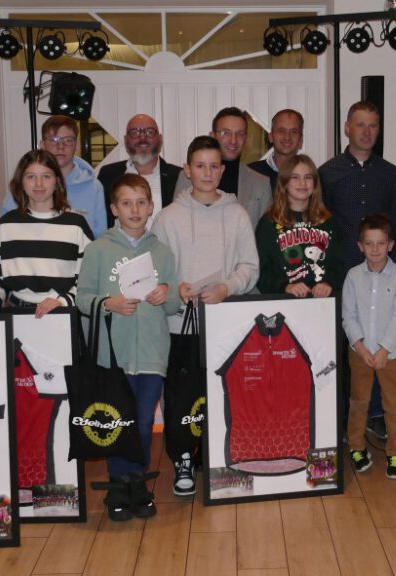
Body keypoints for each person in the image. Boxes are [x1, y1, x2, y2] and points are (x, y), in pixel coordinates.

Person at [153, 135, 259, 495]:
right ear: (187, 169)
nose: (208, 172)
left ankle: (220, 456)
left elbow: (250, 266)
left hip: (224, 322)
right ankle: (183, 457)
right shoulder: (168, 218)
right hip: (179, 323)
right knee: (182, 396)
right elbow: (156, 272)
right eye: (200, 165)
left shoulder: (237, 213)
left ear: (223, 169)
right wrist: (176, 287)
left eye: (214, 166)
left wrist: (228, 287)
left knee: (225, 393)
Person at [77, 174, 179, 520]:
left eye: (141, 202)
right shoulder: (98, 249)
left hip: (152, 353)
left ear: (151, 207)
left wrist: (168, 292)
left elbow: (172, 303)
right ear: (113, 209)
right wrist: (110, 302)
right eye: (126, 202)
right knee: (116, 422)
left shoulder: (162, 252)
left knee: (142, 422)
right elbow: (82, 298)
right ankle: (118, 485)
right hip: (112, 354)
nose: (134, 209)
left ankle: (138, 482)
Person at [320, 100, 396, 440]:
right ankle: (343, 416)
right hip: (342, 274)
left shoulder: (390, 174)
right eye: (360, 124)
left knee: (380, 340)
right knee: (343, 345)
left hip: (383, 277)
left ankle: (375, 414)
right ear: (347, 128)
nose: (367, 131)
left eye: (373, 125)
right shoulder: (327, 173)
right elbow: (320, 226)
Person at [0, 150, 93, 317]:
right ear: (21, 182)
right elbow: (0, 280)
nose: (39, 184)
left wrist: (61, 302)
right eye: (31, 177)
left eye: (46, 176)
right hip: (16, 314)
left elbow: (88, 280)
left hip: (61, 313)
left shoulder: (76, 224)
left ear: (57, 181)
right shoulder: (6, 224)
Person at [342, 214, 396, 479]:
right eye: (369, 243)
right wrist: (360, 347)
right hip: (359, 352)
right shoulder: (353, 276)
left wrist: (383, 349)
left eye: (380, 243)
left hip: (390, 354)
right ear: (360, 246)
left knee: (392, 403)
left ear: (390, 245)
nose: (374, 249)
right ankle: (356, 447)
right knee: (359, 401)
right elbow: (348, 315)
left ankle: (395, 451)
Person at [1, 115, 107, 237]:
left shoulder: (94, 187)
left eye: (68, 140)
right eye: (53, 140)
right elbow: (6, 231)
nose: (61, 146)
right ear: (42, 145)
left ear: (77, 146)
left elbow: (100, 237)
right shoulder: (24, 185)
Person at [255, 154, 342, 297]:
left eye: (308, 177)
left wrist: (328, 283)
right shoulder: (269, 223)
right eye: (295, 177)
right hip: (283, 302)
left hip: (322, 303)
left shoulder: (328, 222)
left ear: (315, 183)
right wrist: (285, 286)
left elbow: (339, 263)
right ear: (284, 182)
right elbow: (261, 269)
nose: (302, 183)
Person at [174, 107, 270, 228]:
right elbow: (176, 224)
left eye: (240, 134)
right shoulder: (187, 176)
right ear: (212, 136)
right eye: (226, 133)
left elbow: (265, 234)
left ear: (245, 139)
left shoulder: (261, 183)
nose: (233, 140)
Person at [97, 114, 181, 229]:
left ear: (160, 139)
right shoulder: (108, 175)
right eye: (135, 133)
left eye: (150, 132)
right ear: (126, 141)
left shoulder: (178, 176)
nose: (142, 138)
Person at [249, 109, 305, 193]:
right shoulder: (251, 173)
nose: (287, 137)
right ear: (271, 137)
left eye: (294, 132)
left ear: (300, 140)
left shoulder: (309, 177)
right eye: (281, 131)